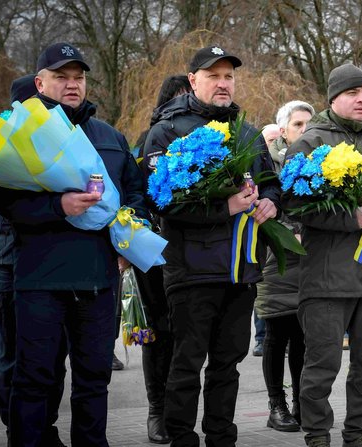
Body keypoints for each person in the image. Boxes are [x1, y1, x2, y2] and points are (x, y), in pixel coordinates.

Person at [0, 42, 147, 447]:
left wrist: (129, 238)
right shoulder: (19, 135)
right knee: (36, 377)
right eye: (61, 77)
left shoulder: (110, 136)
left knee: (94, 379)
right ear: (40, 82)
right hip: (40, 279)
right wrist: (58, 205)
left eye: (79, 77)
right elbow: (2, 202)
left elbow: (135, 195)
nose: (72, 85)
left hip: (98, 280)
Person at [142, 45, 280, 447]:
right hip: (191, 270)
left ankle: (222, 437)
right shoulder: (167, 130)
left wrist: (271, 201)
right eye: (214, 75)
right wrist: (225, 207)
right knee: (186, 363)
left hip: (240, 269)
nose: (223, 83)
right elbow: (160, 200)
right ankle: (182, 437)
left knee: (228, 363)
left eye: (229, 77)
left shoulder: (248, 131)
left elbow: (270, 182)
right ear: (192, 80)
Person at [284, 63, 362, 447]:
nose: (361, 99)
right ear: (333, 97)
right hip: (326, 277)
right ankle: (318, 434)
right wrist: (349, 218)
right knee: (323, 365)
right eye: (353, 93)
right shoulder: (310, 142)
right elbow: (292, 203)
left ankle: (358, 433)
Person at [0, 74, 68, 447]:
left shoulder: (54, 145)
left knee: (51, 359)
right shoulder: (7, 146)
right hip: (9, 265)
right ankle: (16, 429)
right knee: (14, 358)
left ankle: (45, 428)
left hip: (48, 266)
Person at [131, 73, 191, 445]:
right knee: (158, 331)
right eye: (183, 98)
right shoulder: (150, 140)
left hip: (192, 251)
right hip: (154, 251)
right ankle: (157, 409)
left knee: (186, 332)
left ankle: (179, 410)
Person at [255, 100, 315, 432]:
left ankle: (303, 403)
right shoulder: (268, 164)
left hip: (309, 262)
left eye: (309, 124)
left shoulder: (321, 161)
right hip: (275, 259)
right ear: (282, 130)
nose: (305, 130)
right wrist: (292, 234)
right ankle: (276, 404)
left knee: (303, 335)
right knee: (278, 333)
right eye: (298, 125)